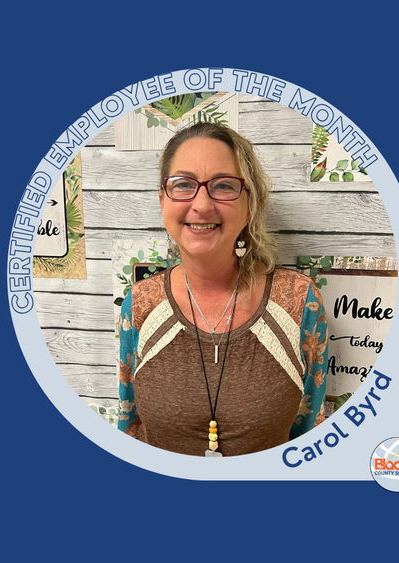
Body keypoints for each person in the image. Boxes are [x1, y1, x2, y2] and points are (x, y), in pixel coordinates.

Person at [116, 122, 329, 457]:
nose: (201, 205)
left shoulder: (299, 302)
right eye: (183, 184)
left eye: (223, 186)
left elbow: (311, 436)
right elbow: (128, 428)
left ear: (250, 206)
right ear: (162, 201)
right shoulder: (141, 303)